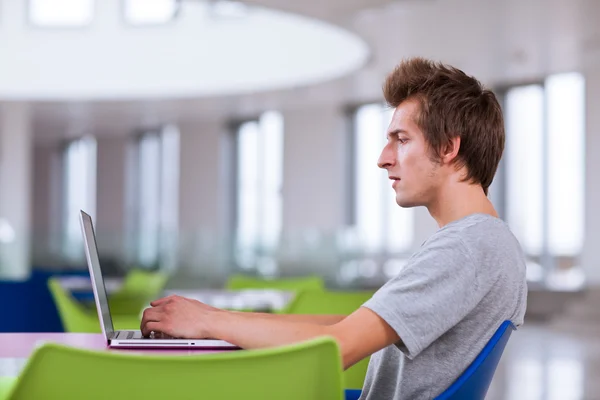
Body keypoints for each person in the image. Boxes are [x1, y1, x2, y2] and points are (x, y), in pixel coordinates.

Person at [140, 57, 527, 399]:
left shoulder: (469, 247)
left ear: (448, 148)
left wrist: (210, 323)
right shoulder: (476, 243)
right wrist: (215, 318)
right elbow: (350, 325)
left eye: (401, 139)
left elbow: (338, 348)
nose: (382, 158)